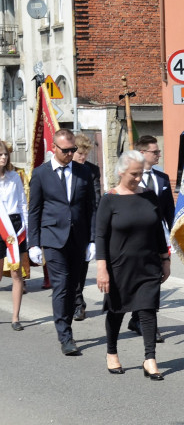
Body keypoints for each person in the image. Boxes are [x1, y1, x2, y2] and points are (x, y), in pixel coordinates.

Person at [95, 151, 171, 379]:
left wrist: (165, 259)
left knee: (148, 310)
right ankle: (111, 352)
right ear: (121, 172)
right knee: (117, 310)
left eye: (141, 173)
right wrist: (102, 268)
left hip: (148, 264)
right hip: (119, 266)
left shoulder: (149, 196)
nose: (138, 178)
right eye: (134, 174)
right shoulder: (110, 198)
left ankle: (150, 359)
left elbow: (158, 230)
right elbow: (100, 236)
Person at [27, 128, 96, 355]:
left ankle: (66, 322)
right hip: (53, 238)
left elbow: (91, 209)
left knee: (74, 286)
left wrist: (93, 240)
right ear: (54, 148)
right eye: (66, 150)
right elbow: (34, 210)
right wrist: (33, 243)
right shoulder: (41, 174)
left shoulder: (84, 172)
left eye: (73, 150)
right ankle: (65, 335)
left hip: (78, 238)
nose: (70, 154)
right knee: (61, 285)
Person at [127, 136, 173, 343]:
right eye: (155, 152)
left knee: (154, 280)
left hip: (157, 238)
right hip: (135, 240)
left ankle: (146, 323)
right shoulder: (130, 177)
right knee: (138, 280)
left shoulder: (162, 178)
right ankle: (137, 317)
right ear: (142, 153)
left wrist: (175, 234)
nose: (158, 155)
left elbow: (169, 211)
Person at [71, 134, 103, 322]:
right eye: (79, 153)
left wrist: (94, 234)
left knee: (81, 268)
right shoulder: (66, 169)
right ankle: (76, 303)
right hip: (66, 226)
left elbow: (96, 199)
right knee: (70, 268)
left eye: (85, 154)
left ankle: (78, 301)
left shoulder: (92, 171)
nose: (82, 157)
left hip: (85, 226)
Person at [0, 140, 29, 330]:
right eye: (0, 154)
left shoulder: (14, 177)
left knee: (16, 272)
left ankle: (15, 317)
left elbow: (22, 203)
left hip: (15, 226)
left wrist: (26, 228)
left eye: (5, 154)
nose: (4, 157)